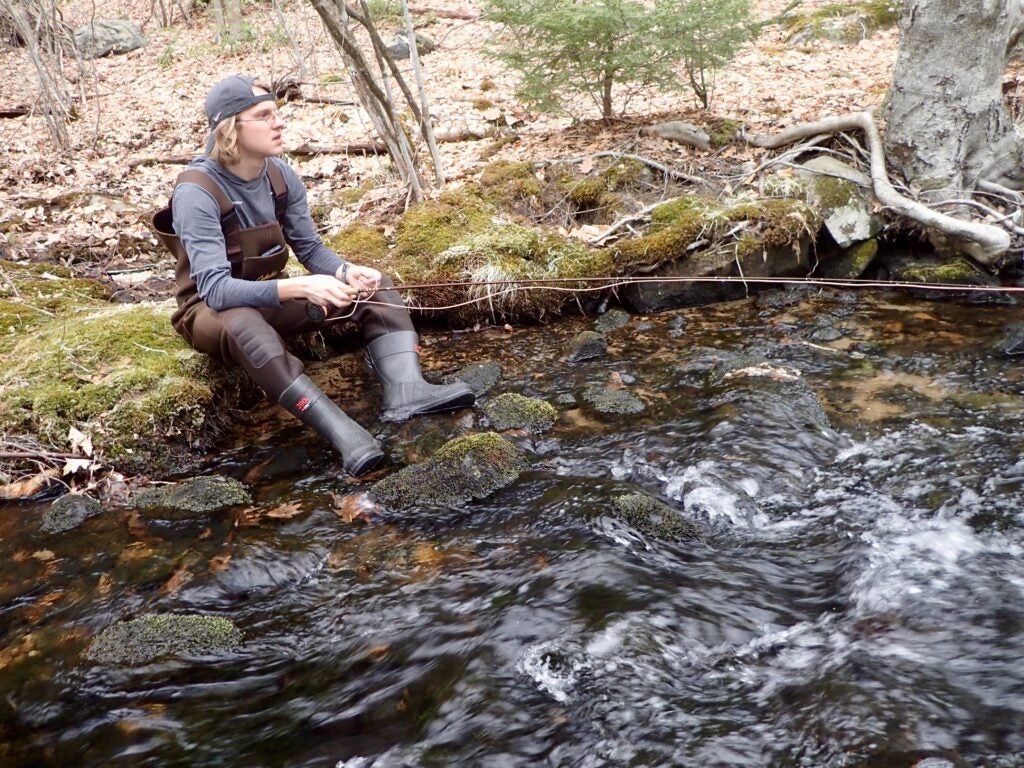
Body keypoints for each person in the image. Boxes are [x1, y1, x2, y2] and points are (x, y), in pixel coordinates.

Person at [153, 74, 475, 476]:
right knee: (244, 325)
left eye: (277, 113)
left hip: (270, 299)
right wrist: (301, 286)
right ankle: (346, 435)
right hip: (208, 312)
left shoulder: (279, 175)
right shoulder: (196, 191)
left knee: (374, 287)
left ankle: (407, 391)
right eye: (264, 115)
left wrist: (344, 271)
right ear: (230, 128)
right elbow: (216, 290)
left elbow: (309, 249)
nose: (279, 122)